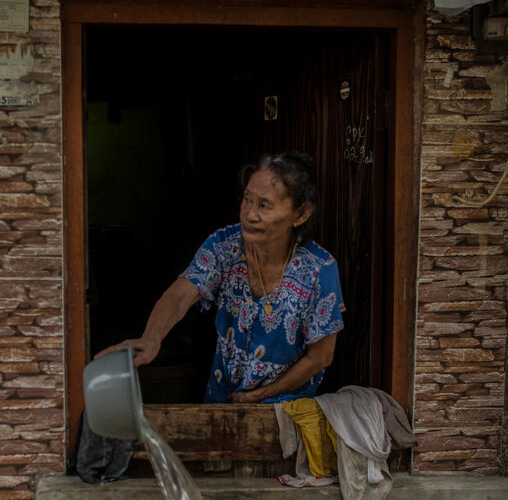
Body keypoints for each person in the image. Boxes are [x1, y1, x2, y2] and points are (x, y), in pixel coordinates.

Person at [97, 151, 346, 404]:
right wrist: (151, 338)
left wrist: (262, 395)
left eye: (264, 205)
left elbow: (321, 356)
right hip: (224, 397)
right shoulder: (225, 246)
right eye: (247, 200)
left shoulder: (318, 269)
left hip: (286, 405)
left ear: (301, 213)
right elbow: (181, 293)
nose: (249, 214)